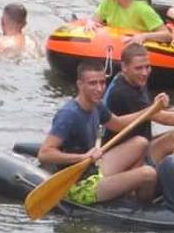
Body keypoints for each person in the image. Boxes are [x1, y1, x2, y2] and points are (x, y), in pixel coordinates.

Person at [37, 60, 163, 206]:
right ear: (80, 85)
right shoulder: (68, 115)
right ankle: (142, 209)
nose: (99, 89)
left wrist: (153, 109)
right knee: (149, 174)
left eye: (102, 83)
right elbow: (44, 154)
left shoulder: (97, 105)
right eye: (92, 83)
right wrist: (82, 157)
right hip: (78, 186)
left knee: (140, 142)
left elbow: (119, 125)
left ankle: (129, 191)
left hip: (93, 169)